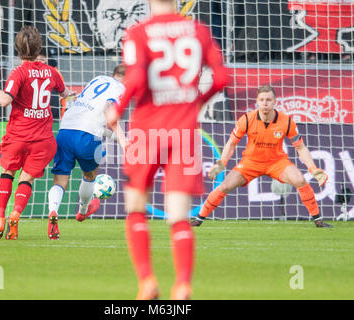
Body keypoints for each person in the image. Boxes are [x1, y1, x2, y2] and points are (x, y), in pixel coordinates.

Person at [106, 0, 229, 300]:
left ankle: (147, 281)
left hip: (147, 130)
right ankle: (183, 285)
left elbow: (134, 79)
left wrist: (117, 111)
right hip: (184, 132)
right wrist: (197, 100)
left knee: (135, 206)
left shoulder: (137, 33)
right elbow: (223, 77)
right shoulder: (198, 30)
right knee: (178, 215)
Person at [190, 85, 332, 228]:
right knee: (225, 186)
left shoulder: (286, 121)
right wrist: (222, 163)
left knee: (300, 180)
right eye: (262, 100)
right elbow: (231, 144)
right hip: (250, 162)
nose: (265, 103)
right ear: (257, 102)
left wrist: (313, 168)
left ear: (275, 101)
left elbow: (300, 147)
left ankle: (318, 220)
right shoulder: (246, 119)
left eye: (268, 100)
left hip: (277, 162)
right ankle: (199, 219)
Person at [0, 25, 74, 240]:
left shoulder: (19, 72)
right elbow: (65, 94)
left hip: (18, 137)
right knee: (27, 179)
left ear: (17, 48)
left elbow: (5, 100)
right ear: (39, 46)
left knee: (7, 173)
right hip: (43, 140)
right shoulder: (51, 71)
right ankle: (16, 214)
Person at [46, 64, 127, 240]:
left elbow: (90, 115)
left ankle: (53, 210)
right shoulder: (120, 88)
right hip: (88, 137)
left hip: (65, 130)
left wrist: (112, 137)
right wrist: (123, 140)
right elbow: (108, 112)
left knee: (59, 180)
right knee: (90, 175)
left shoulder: (97, 79)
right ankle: (83, 211)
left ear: (113, 73)